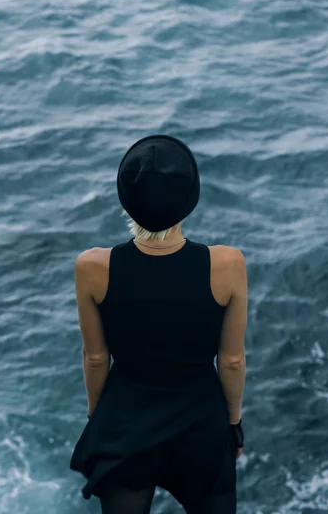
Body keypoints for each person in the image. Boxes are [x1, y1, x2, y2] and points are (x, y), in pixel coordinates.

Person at [70, 134, 248, 514]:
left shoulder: (93, 267)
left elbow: (96, 358)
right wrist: (232, 422)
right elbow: (231, 360)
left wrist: (97, 417)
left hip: (126, 424)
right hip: (201, 422)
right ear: (191, 197)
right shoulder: (227, 264)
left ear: (125, 199)